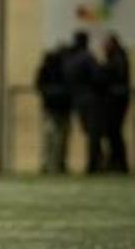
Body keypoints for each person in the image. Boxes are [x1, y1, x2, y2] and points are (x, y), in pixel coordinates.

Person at [63, 31, 103, 173]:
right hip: (91, 98)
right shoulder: (87, 58)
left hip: (77, 99)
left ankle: (94, 162)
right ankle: (94, 164)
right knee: (94, 133)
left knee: (88, 131)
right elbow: (97, 78)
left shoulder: (70, 59)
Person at [35, 43, 72, 174]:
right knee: (57, 137)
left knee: (52, 137)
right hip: (58, 108)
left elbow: (39, 85)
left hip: (53, 108)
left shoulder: (47, 69)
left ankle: (50, 163)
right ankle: (55, 163)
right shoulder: (64, 69)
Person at [100, 33, 130, 173]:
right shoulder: (117, 57)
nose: (104, 47)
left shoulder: (117, 58)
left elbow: (115, 77)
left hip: (116, 100)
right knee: (113, 132)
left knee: (114, 132)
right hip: (116, 99)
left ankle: (119, 163)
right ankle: (116, 162)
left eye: (106, 44)